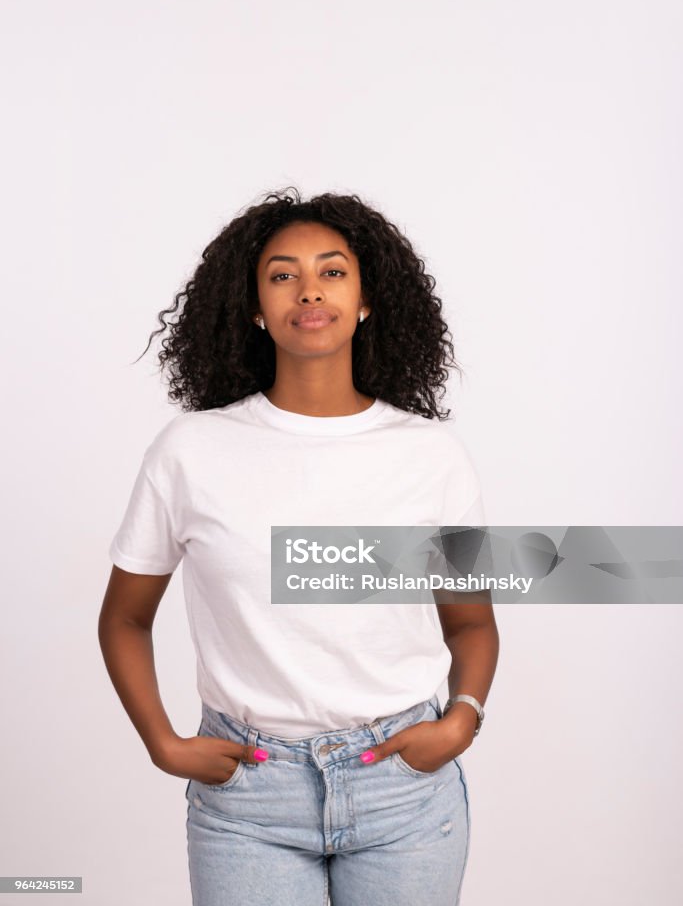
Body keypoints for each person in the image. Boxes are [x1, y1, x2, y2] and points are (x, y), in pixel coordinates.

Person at [98, 187, 500, 906]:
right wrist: (161, 740)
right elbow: (124, 616)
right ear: (253, 307)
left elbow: (469, 619)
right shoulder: (192, 449)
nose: (308, 289)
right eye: (282, 274)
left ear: (368, 298)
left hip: (402, 792)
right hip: (249, 795)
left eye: (332, 271)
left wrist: (462, 716)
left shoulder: (432, 454)